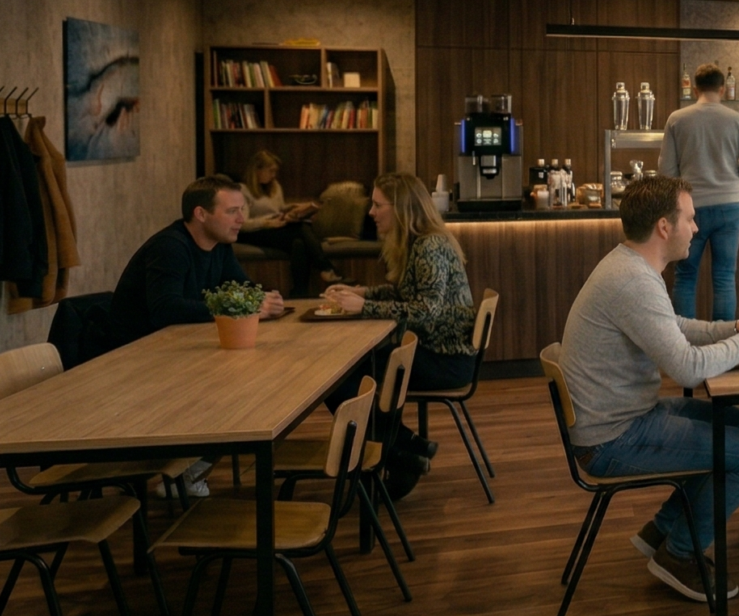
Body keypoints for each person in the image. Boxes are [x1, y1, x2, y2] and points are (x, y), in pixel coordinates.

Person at [559, 174, 739, 603]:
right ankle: (680, 553)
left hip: (621, 418)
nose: (696, 228)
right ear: (665, 226)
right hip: (612, 439)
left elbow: (675, 328)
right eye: (691, 218)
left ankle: (665, 526)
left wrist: (737, 326)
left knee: (738, 421)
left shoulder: (630, 267)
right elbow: (687, 370)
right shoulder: (634, 282)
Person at [320, 173, 478, 495]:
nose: (371, 212)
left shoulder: (429, 246)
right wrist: (364, 293)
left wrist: (362, 308)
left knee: (338, 380)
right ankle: (403, 449)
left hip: (445, 359)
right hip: (436, 351)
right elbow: (407, 296)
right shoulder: (420, 242)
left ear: (402, 208)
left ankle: (400, 450)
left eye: (378, 205)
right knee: (348, 376)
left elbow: (425, 311)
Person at [109, 175, 287, 348]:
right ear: (201, 214)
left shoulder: (220, 244)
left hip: (178, 342)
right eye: (232, 211)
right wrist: (240, 306)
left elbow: (243, 288)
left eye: (242, 209)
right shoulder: (170, 247)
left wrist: (264, 300)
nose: (241, 219)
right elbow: (165, 309)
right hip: (133, 350)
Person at [661, 64, 739, 320]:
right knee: (725, 277)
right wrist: (730, 180)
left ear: (694, 88)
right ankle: (724, 346)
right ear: (722, 89)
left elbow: (666, 170)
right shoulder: (738, 120)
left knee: (685, 276)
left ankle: (684, 345)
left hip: (689, 209)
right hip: (729, 206)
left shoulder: (677, 119)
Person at [236, 150, 340, 296]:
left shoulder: (275, 186)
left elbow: (278, 209)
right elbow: (243, 224)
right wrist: (266, 223)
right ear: (257, 170)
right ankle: (325, 267)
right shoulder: (243, 190)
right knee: (301, 228)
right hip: (255, 232)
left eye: (275, 171)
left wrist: (293, 208)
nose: (273, 175)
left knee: (299, 243)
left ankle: (299, 292)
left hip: (276, 227)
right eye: (270, 171)